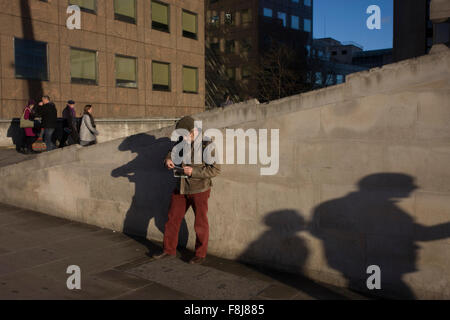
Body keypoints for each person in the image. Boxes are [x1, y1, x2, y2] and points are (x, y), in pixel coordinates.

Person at [153, 116, 221, 265]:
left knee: (200, 223)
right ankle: (168, 250)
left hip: (199, 190)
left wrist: (193, 172)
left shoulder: (206, 145)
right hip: (180, 188)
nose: (181, 138)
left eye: (184, 134)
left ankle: (200, 254)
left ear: (193, 131)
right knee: (172, 219)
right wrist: (167, 160)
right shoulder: (181, 142)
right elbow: (171, 153)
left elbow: (215, 170)